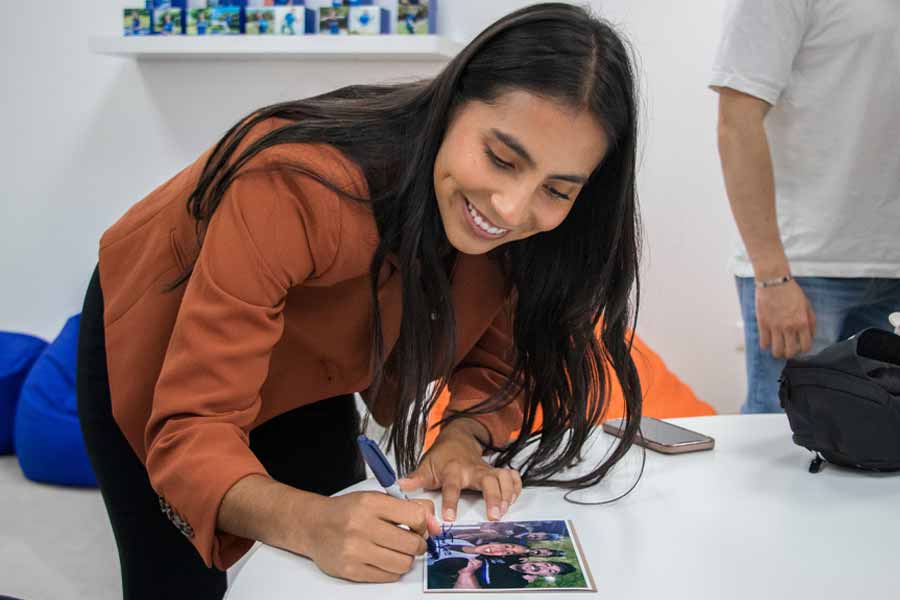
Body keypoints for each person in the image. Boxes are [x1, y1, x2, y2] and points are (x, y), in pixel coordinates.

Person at [76, 3, 643, 599]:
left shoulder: (524, 234)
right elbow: (191, 429)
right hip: (161, 338)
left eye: (557, 190)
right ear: (451, 102)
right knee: (175, 583)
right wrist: (311, 524)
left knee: (349, 554)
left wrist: (461, 441)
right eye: (501, 158)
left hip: (310, 373)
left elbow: (496, 365)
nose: (510, 208)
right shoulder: (294, 182)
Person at [710, 0, 900, 413]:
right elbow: (736, 123)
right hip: (804, 270)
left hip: (892, 268)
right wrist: (772, 276)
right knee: (784, 444)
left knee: (879, 452)